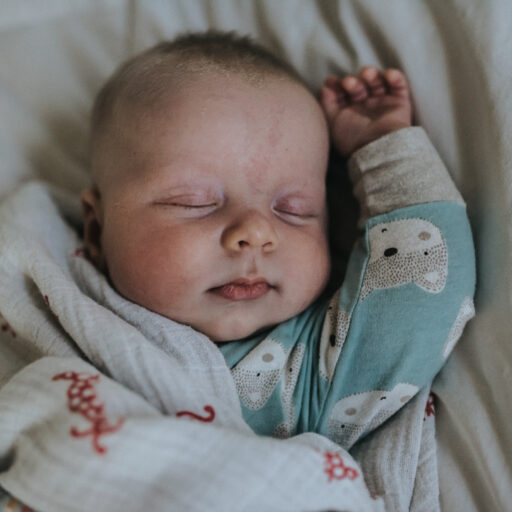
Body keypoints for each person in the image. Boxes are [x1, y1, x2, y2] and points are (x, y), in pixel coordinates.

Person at [81, 31, 475, 448]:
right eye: (194, 203)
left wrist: (383, 151)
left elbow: (412, 309)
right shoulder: (40, 280)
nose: (256, 232)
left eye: (294, 210)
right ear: (94, 228)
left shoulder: (296, 373)